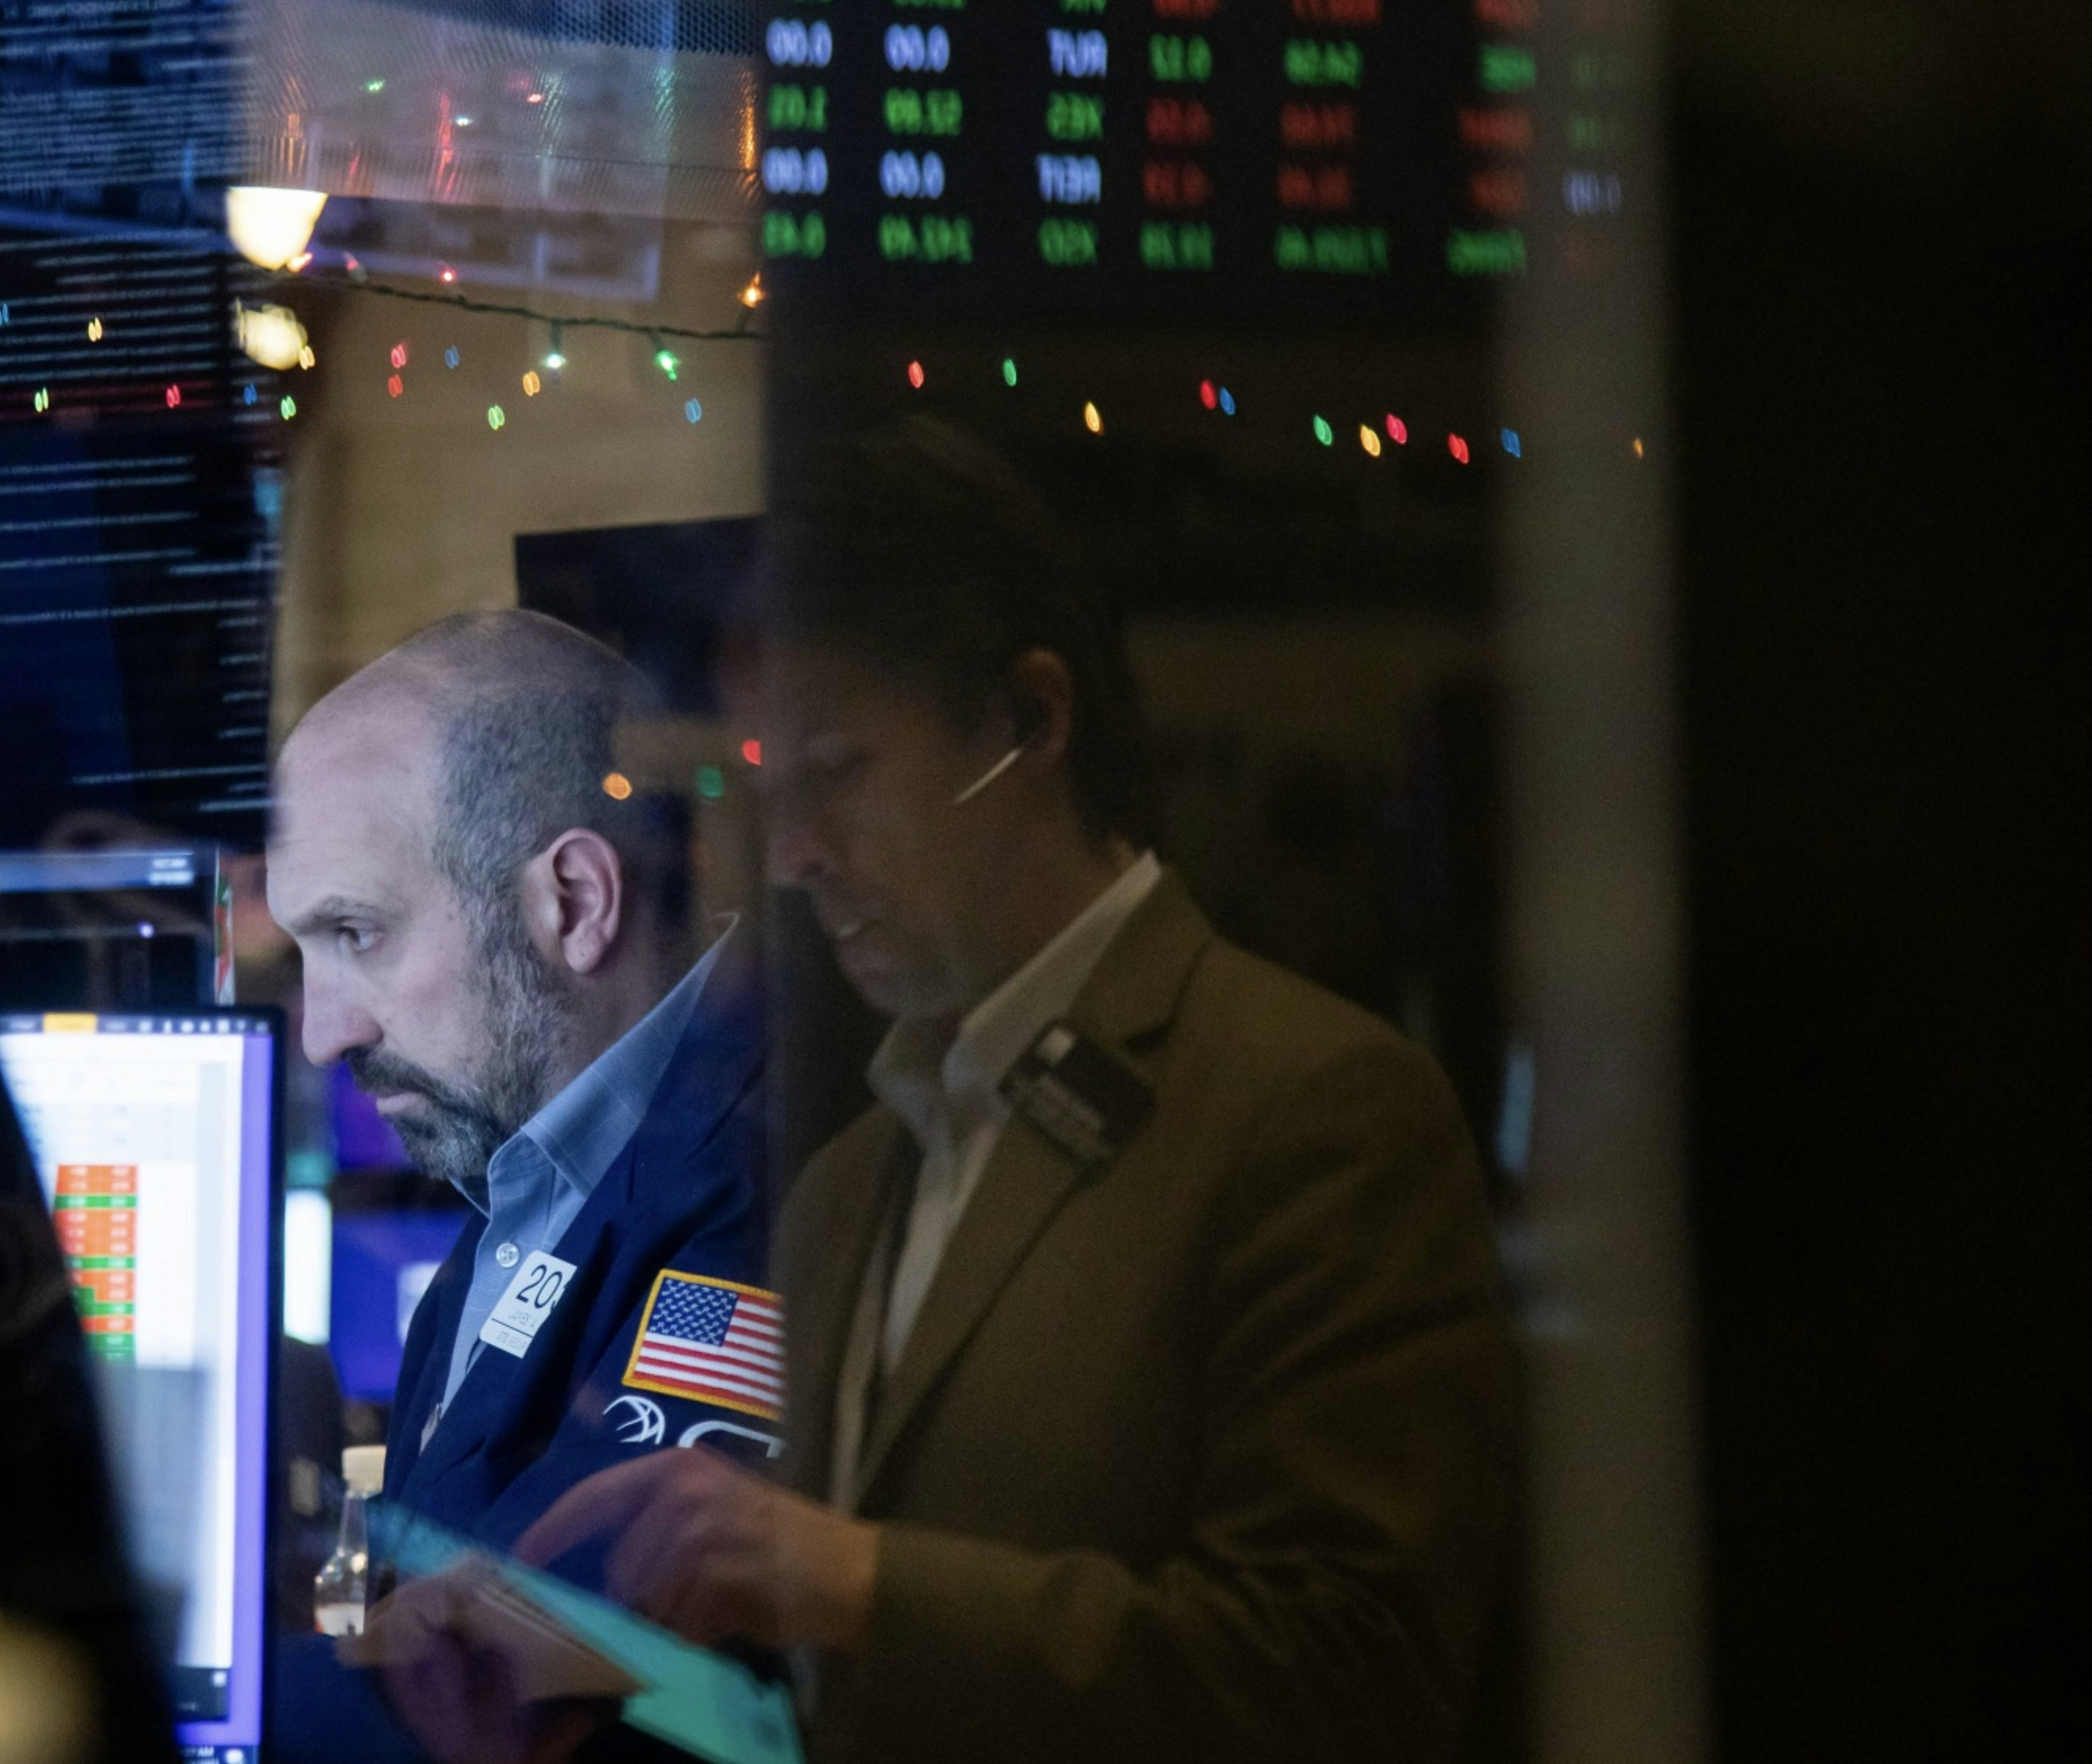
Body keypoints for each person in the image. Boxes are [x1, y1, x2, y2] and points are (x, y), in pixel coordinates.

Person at [515, 421, 1521, 1764]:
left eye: (839, 775)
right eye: (772, 789)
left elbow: (1354, 1674)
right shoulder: (848, 1184)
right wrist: (590, 1665)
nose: (798, 856)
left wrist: (857, 1579)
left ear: (1032, 719)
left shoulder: (1320, 1111)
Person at [265, 609, 771, 1756]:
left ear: (577, 905)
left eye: (359, 931)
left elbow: (519, 1682)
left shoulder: (756, 1182)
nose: (322, 1033)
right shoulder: (528, 1180)